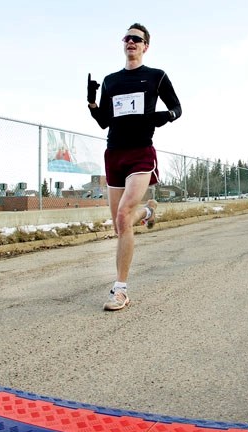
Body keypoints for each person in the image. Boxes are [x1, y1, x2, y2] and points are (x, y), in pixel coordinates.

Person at [87, 23, 182, 310]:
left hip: (141, 152)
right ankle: (149, 211)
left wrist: (165, 116)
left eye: (136, 39)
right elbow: (105, 120)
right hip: (114, 152)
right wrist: (92, 104)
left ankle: (120, 290)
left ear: (145, 46)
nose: (130, 42)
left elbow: (178, 108)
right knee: (120, 224)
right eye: (127, 38)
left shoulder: (156, 76)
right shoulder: (111, 80)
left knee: (122, 212)